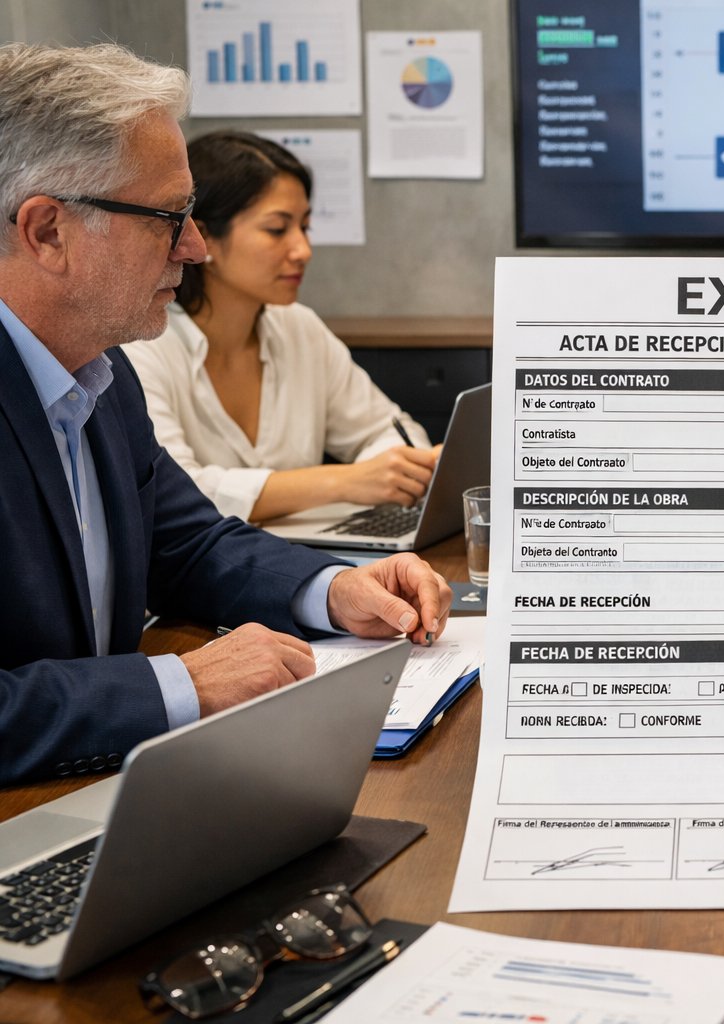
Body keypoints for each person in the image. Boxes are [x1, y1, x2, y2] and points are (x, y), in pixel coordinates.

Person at [0, 43, 451, 786]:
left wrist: (334, 590)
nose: (195, 246)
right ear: (48, 231)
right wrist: (182, 684)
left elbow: (189, 547)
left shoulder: (100, 373)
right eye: (167, 218)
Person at [125, 130, 439, 523]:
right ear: (204, 239)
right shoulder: (142, 344)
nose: (303, 250)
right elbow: (176, 494)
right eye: (277, 229)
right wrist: (345, 482)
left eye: (305, 227)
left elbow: (388, 430)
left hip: (311, 562)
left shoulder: (299, 328)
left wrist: (398, 469)